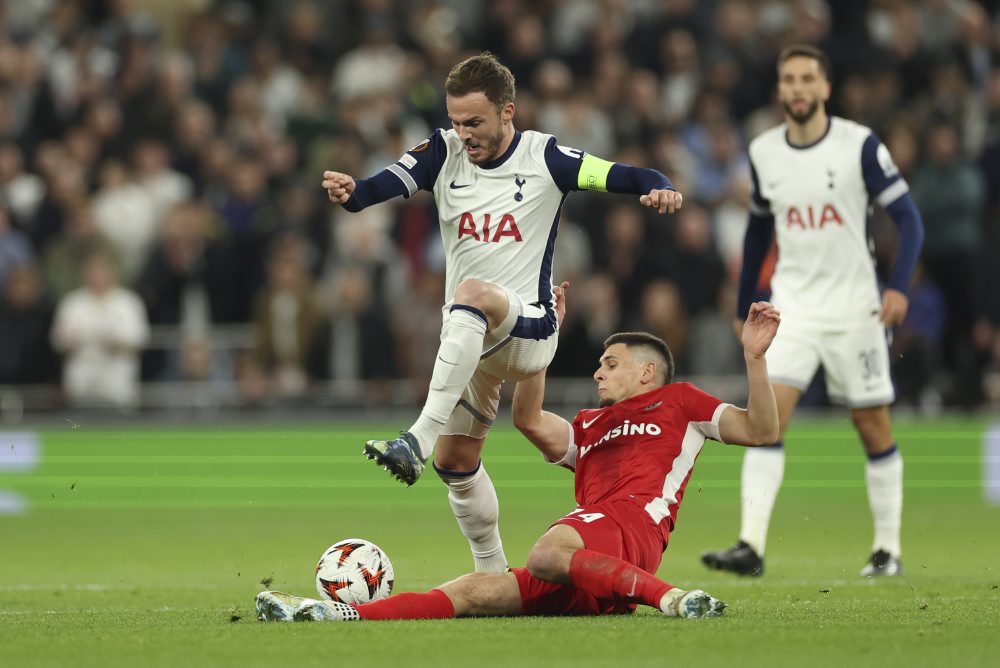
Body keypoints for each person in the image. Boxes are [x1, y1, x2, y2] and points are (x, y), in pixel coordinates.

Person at [321, 52, 683, 574]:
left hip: (532, 329)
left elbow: (621, 173)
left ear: (507, 111)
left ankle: (416, 437)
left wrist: (658, 183)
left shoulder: (545, 158)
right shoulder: (441, 153)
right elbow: (378, 187)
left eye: (475, 122)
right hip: (473, 341)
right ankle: (492, 573)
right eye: (456, 121)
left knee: (470, 293)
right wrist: (352, 192)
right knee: (457, 463)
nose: (464, 133)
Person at [255, 290, 782, 623]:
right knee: (472, 592)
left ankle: (673, 599)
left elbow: (762, 429)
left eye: (609, 363)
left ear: (646, 373)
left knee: (545, 553)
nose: (598, 372)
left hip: (632, 529)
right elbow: (529, 420)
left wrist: (754, 359)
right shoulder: (591, 426)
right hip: (594, 561)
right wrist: (541, 340)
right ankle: (332, 614)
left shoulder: (681, 402)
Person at [700, 45, 924, 579]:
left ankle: (887, 551)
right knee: (767, 421)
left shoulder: (860, 145)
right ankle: (750, 545)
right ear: (780, 90)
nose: (797, 88)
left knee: (872, 424)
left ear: (825, 88)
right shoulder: (764, 151)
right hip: (792, 305)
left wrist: (899, 287)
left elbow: (909, 219)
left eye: (807, 79)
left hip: (856, 310)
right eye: (789, 79)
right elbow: (757, 230)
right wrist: (741, 304)